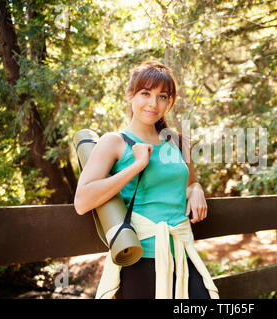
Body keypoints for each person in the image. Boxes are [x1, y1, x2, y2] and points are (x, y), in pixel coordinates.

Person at [73, 60, 219, 299]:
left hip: (183, 253)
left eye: (162, 96)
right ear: (130, 95)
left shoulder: (178, 142)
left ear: (170, 102)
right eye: (145, 93)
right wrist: (137, 165)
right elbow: (82, 201)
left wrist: (196, 189)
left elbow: (190, 181)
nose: (153, 103)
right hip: (141, 257)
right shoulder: (114, 142)